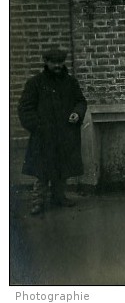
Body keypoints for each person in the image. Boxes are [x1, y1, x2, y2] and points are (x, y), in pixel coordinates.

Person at [17, 47, 87, 216]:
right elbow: (25, 108)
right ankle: (37, 202)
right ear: (46, 63)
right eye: (53, 63)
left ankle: (59, 197)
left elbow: (80, 101)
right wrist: (38, 126)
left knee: (62, 168)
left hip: (65, 134)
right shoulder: (35, 83)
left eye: (60, 62)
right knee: (42, 172)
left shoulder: (71, 83)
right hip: (44, 135)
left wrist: (77, 113)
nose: (57, 66)